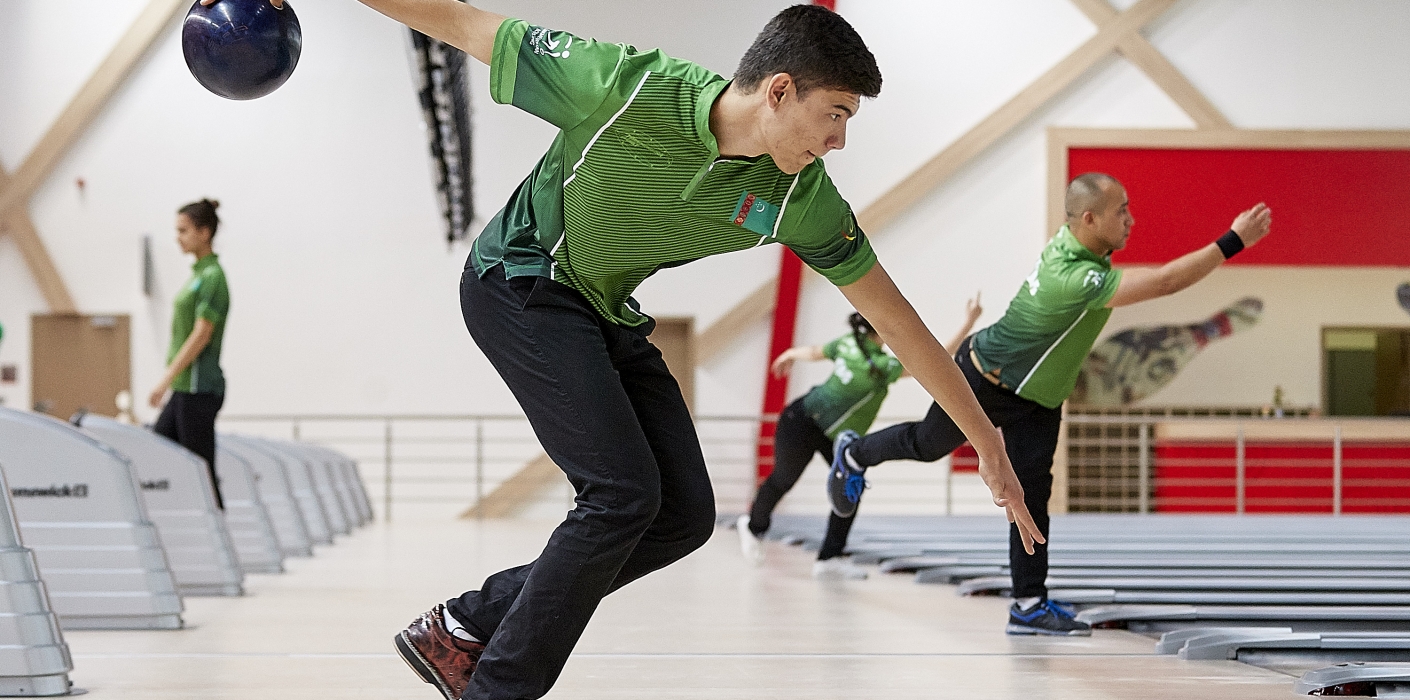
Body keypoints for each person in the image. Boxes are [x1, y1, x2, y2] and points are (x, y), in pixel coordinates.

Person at [203, 2, 1042, 698]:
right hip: (520, 280)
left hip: (603, 308)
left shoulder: (800, 199)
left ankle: (464, 625)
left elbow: (897, 320)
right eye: (836, 116)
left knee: (680, 516)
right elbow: (454, 19)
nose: (839, 141)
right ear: (781, 92)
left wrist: (986, 439)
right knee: (618, 492)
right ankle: (495, 687)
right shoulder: (620, 85)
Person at [828, 173, 1272, 635]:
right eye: (1121, 211)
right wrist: (1233, 239)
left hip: (1039, 398)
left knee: (1033, 495)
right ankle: (854, 453)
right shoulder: (1076, 277)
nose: (1131, 219)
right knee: (927, 443)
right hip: (986, 377)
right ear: (1089, 218)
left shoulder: (1072, 245)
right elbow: (1163, 283)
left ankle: (1028, 604)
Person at [738, 296, 983, 579]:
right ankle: (753, 525)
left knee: (848, 487)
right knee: (786, 478)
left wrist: (791, 353)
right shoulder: (880, 368)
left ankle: (829, 559)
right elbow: (935, 357)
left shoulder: (850, 345)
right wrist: (969, 322)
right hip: (802, 423)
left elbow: (816, 352)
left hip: (831, 435)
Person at [149, 198, 231, 510]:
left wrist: (165, 380)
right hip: (185, 388)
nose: (178, 237)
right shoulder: (198, 274)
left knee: (201, 469)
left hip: (197, 386)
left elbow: (202, 334)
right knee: (161, 449)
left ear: (204, 232)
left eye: (183, 230)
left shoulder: (212, 277)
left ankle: (218, 539)